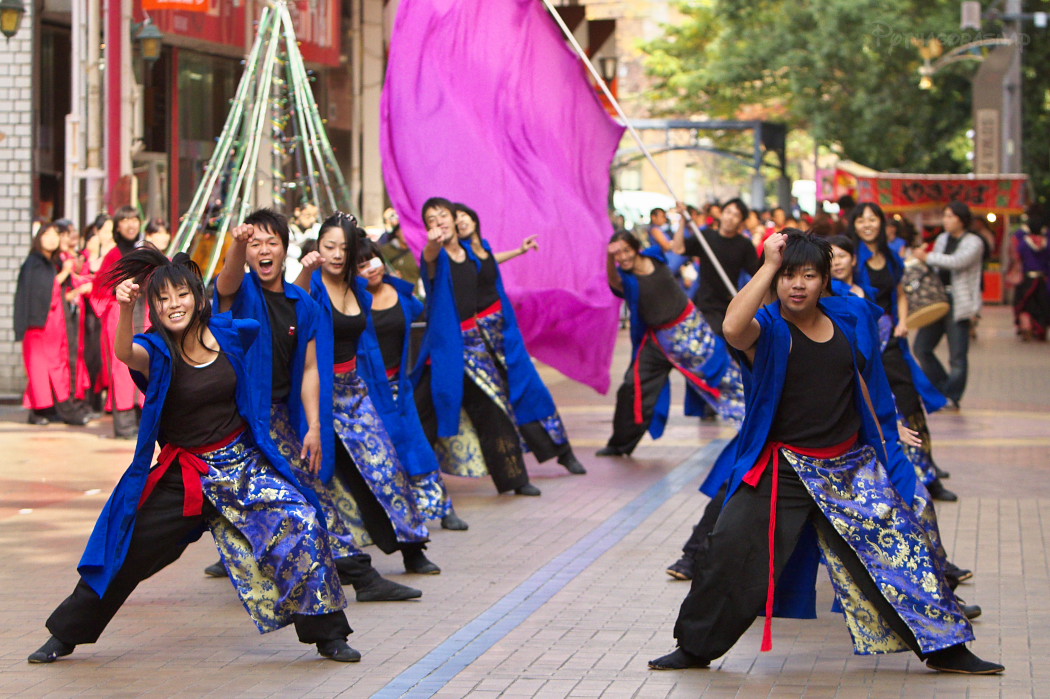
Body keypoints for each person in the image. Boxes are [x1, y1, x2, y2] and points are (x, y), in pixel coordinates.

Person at [649, 231, 1002, 675]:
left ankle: (947, 649)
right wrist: (768, 265)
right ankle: (695, 648)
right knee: (731, 551)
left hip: (850, 466)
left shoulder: (849, 317)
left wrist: (889, 427)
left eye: (809, 275)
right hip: (784, 468)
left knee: (902, 552)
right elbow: (732, 329)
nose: (798, 285)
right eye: (789, 276)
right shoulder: (770, 328)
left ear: (824, 281)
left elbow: (869, 380)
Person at [27, 248, 359, 665]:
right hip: (187, 475)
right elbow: (125, 354)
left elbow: (257, 324)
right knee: (123, 550)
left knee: (303, 520)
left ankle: (328, 636)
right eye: (162, 300)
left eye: (180, 295)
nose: (172, 306)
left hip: (243, 467)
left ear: (198, 298)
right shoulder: (156, 350)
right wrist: (126, 309)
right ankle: (63, 635)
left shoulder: (230, 334)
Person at [208, 208, 424, 600]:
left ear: (285, 249)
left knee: (310, 498)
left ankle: (361, 576)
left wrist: (314, 426)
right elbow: (226, 281)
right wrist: (237, 245)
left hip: (279, 421)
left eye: (271, 242)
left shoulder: (301, 303)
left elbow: (310, 369)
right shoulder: (242, 293)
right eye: (255, 243)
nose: (263, 250)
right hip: (236, 425)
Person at [294, 212, 439, 575]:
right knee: (318, 477)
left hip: (356, 392)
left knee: (386, 468)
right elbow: (290, 309)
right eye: (330, 246)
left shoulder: (358, 287)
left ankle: (412, 546)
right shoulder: (310, 286)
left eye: (345, 247)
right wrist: (304, 270)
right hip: (317, 395)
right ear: (318, 248)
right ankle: (333, 562)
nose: (338, 254)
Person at [413, 197, 541, 496]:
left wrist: (521, 251)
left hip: (476, 345)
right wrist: (432, 243)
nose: (438, 222)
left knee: (496, 411)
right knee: (425, 419)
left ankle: (515, 479)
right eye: (431, 219)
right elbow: (430, 254)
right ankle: (414, 483)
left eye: (442, 215)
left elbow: (491, 261)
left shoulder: (471, 253)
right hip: (444, 350)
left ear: (455, 219)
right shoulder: (435, 256)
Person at [452, 203, 586, 476]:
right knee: (503, 400)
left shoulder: (482, 247)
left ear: (473, 218)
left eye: (464, 215)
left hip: (505, 330)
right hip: (479, 339)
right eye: (455, 220)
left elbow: (489, 259)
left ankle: (564, 451)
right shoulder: (458, 255)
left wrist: (519, 251)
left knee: (533, 390)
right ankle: (515, 463)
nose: (461, 221)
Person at [597, 231, 744, 457]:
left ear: (636, 248)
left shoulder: (655, 255)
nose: (623, 257)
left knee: (723, 376)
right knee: (631, 387)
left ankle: (755, 421)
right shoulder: (627, 278)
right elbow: (613, 280)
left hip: (690, 332)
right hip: (658, 341)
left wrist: (683, 220)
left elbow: (677, 248)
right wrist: (609, 258)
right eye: (618, 255)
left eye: (626, 250)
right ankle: (619, 444)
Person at [356, 237, 469, 530]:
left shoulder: (402, 294)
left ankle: (442, 508)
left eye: (373, 260)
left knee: (417, 446)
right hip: (366, 392)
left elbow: (432, 311)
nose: (371, 269)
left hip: (401, 387)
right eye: (361, 265)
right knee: (377, 455)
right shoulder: (350, 301)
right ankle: (382, 517)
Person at [847, 205, 957, 502]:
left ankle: (928, 474)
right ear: (854, 225)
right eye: (861, 220)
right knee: (872, 406)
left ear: (881, 224)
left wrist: (904, 322)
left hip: (892, 342)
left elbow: (899, 293)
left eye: (872, 219)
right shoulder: (850, 258)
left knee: (910, 404)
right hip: (863, 343)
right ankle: (884, 476)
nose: (867, 225)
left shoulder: (892, 255)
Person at [14, 222, 90, 426]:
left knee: (52, 367)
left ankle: (42, 411)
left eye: (55, 235)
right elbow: (43, 289)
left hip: (54, 325)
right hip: (39, 325)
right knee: (42, 369)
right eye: (46, 234)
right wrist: (65, 271)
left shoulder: (50, 262)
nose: (51, 238)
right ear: (38, 238)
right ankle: (53, 410)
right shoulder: (34, 262)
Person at [911, 202, 984, 410]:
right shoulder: (942, 239)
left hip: (959, 302)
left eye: (951, 216)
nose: (946, 220)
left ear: (962, 219)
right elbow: (936, 265)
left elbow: (958, 261)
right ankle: (943, 389)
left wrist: (928, 256)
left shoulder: (974, 242)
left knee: (958, 355)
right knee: (921, 348)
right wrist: (923, 259)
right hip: (937, 299)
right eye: (945, 216)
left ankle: (952, 395)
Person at [672, 198, 760, 337]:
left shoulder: (744, 245)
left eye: (736, 215)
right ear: (721, 214)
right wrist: (682, 220)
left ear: (741, 221)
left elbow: (757, 275)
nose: (730, 218)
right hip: (705, 304)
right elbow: (678, 248)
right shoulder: (706, 236)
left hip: (730, 304)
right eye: (728, 212)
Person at [91, 206, 143, 438]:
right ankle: (124, 424)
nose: (131, 224)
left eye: (135, 220)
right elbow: (99, 288)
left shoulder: (142, 251)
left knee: (143, 364)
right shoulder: (113, 255)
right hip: (119, 315)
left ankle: (141, 418)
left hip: (143, 314)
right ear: (118, 226)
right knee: (122, 370)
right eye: (125, 220)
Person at [1006, 204, 1049, 341]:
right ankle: (1040, 330)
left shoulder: (1022, 241)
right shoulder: (1047, 242)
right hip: (1043, 280)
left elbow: (1015, 257)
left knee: (1025, 305)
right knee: (1043, 306)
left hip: (1026, 280)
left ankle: (1026, 329)